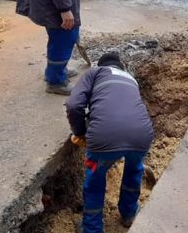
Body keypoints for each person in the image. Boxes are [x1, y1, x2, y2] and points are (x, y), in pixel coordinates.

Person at [66, 52, 154, 233]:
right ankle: (129, 214)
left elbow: (74, 105)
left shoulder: (95, 72)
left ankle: (92, 228)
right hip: (142, 135)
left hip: (104, 137)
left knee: (95, 182)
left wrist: (80, 132)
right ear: (120, 67)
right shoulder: (131, 78)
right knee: (134, 170)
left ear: (101, 65)